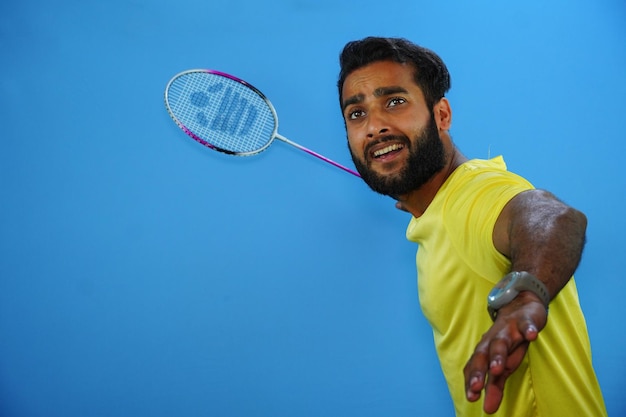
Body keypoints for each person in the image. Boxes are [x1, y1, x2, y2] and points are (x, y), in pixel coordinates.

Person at [337, 36, 607, 417]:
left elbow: (551, 217)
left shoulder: (475, 194)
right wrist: (425, 207)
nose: (374, 126)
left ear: (441, 115)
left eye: (394, 102)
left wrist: (525, 298)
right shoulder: (443, 211)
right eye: (356, 114)